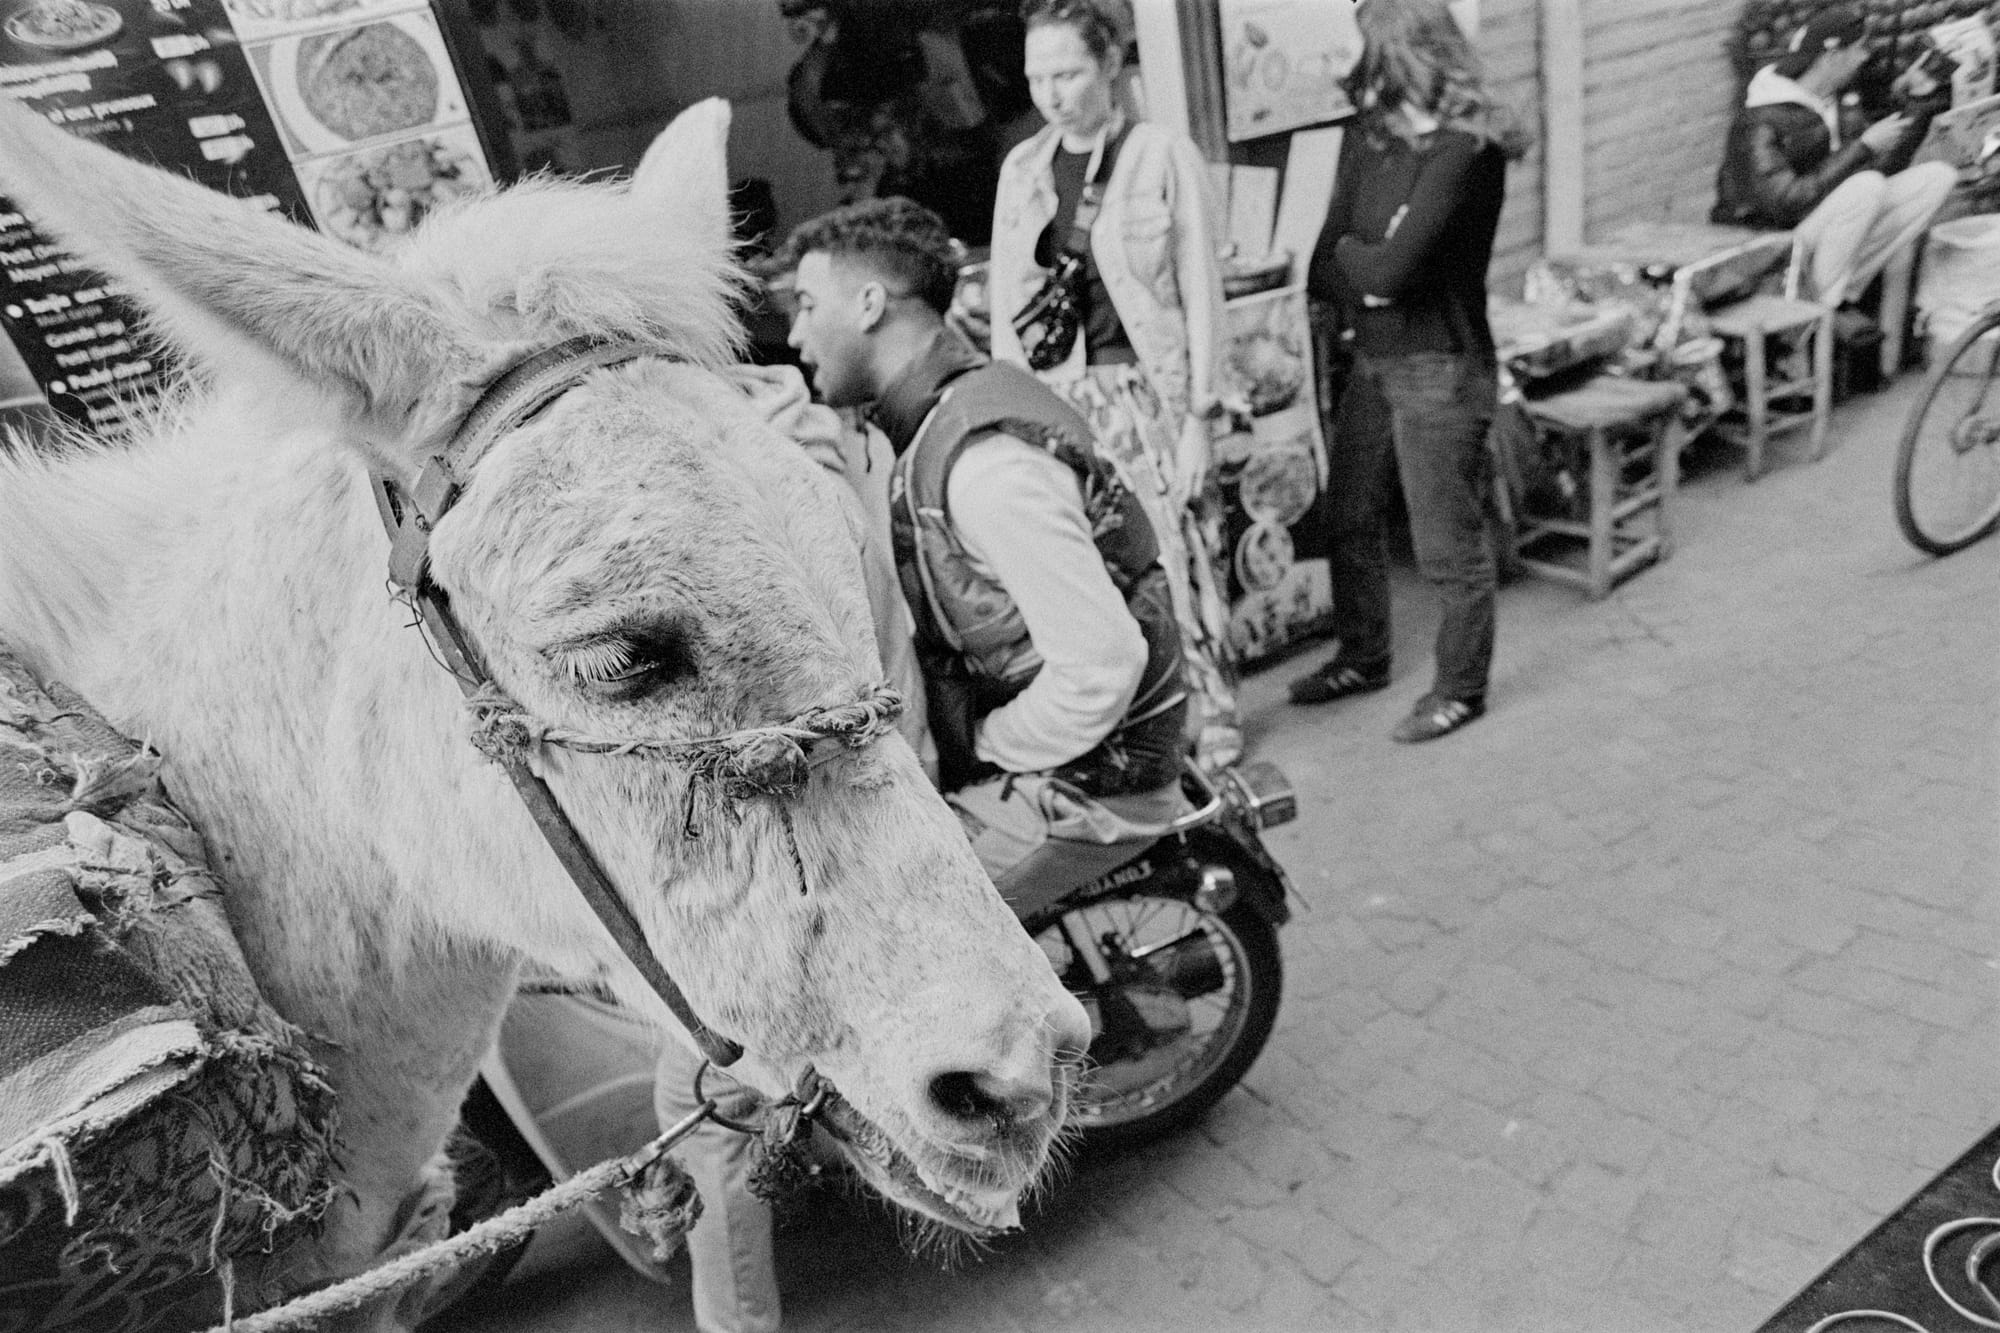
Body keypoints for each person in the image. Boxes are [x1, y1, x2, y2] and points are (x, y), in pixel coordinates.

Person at [780, 195, 1188, 907]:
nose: (794, 334)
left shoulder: (984, 463)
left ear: (871, 303)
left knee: (893, 932)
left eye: (809, 304)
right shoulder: (940, 416)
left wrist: (983, 744)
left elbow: (1103, 665)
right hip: (1060, 760)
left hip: (1089, 784)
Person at [986, 0, 1243, 771]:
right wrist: (1010, 419)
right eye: (1038, 77)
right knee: (1101, 567)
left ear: (1110, 68)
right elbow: (1007, 308)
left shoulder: (1161, 155)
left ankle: (1216, 709)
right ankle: (1152, 718)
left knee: (1181, 551)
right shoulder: (1022, 171)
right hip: (1063, 404)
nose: (1052, 93)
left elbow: (1203, 293)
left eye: (1067, 73)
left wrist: (1200, 415)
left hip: (1148, 394)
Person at [1286, 0, 1527, 743]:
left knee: (1446, 546)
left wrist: (1377, 262)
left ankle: (1461, 688)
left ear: (1401, 56)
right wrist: (1376, 263)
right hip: (1377, 356)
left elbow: (1390, 266)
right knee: (1350, 514)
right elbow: (1329, 261)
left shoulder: (1466, 150)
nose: (1354, 71)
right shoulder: (1375, 140)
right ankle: (1364, 656)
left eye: (1365, 54)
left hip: (1440, 367)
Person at [1712, 4, 1956, 309]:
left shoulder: (1838, 101)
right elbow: (1785, 202)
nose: (1865, 57)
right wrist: (1862, 147)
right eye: (1858, 49)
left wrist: (1920, 104)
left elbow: (1882, 171)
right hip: (1767, 241)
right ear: (1832, 55)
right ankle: (1820, 308)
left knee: (1936, 178)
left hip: (1822, 229)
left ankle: (1834, 293)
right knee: (1865, 187)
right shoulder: (1758, 121)